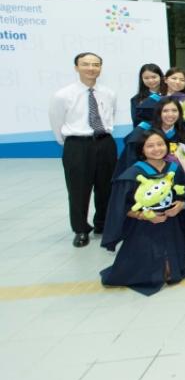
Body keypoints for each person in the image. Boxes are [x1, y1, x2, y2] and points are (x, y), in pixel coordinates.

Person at [100, 129, 185, 295]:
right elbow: (121, 207)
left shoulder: (174, 168)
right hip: (144, 227)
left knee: (173, 274)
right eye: (150, 146)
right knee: (155, 274)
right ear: (141, 150)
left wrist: (180, 205)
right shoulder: (133, 173)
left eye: (160, 144)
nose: (156, 149)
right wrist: (144, 216)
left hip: (171, 224)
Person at [49, 52, 119, 247]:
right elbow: (57, 122)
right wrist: (70, 143)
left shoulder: (108, 93)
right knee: (78, 189)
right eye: (86, 64)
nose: (91, 68)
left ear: (100, 68)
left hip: (105, 142)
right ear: (76, 67)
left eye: (96, 64)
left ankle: (103, 223)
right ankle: (80, 229)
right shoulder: (62, 95)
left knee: (106, 186)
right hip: (77, 144)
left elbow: (110, 117)